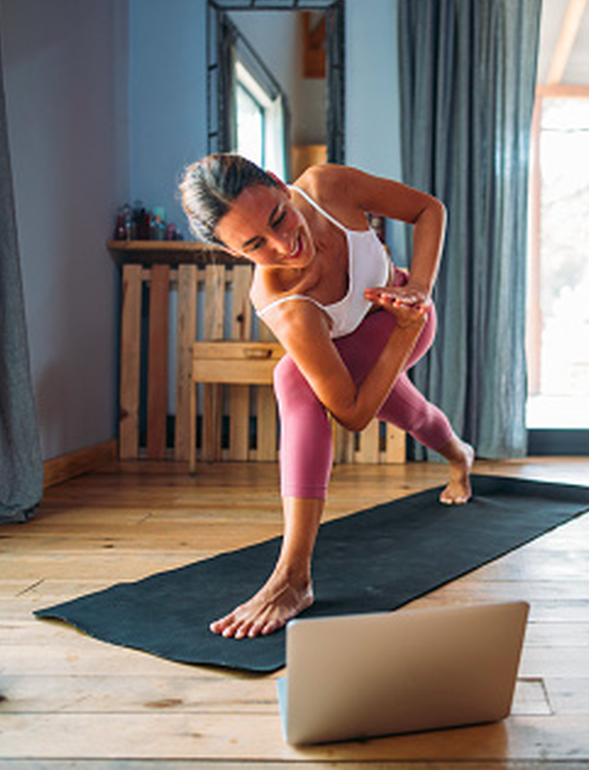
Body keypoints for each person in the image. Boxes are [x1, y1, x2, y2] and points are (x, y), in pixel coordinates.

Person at [179, 155, 475, 639]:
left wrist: (417, 295)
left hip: (400, 311)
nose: (284, 243)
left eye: (278, 216)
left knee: (292, 378)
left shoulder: (327, 185)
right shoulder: (280, 300)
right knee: (410, 413)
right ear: (234, 253)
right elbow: (354, 416)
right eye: (256, 245)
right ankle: (459, 455)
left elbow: (429, 210)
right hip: (365, 344)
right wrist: (403, 333)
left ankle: (292, 578)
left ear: (279, 183)